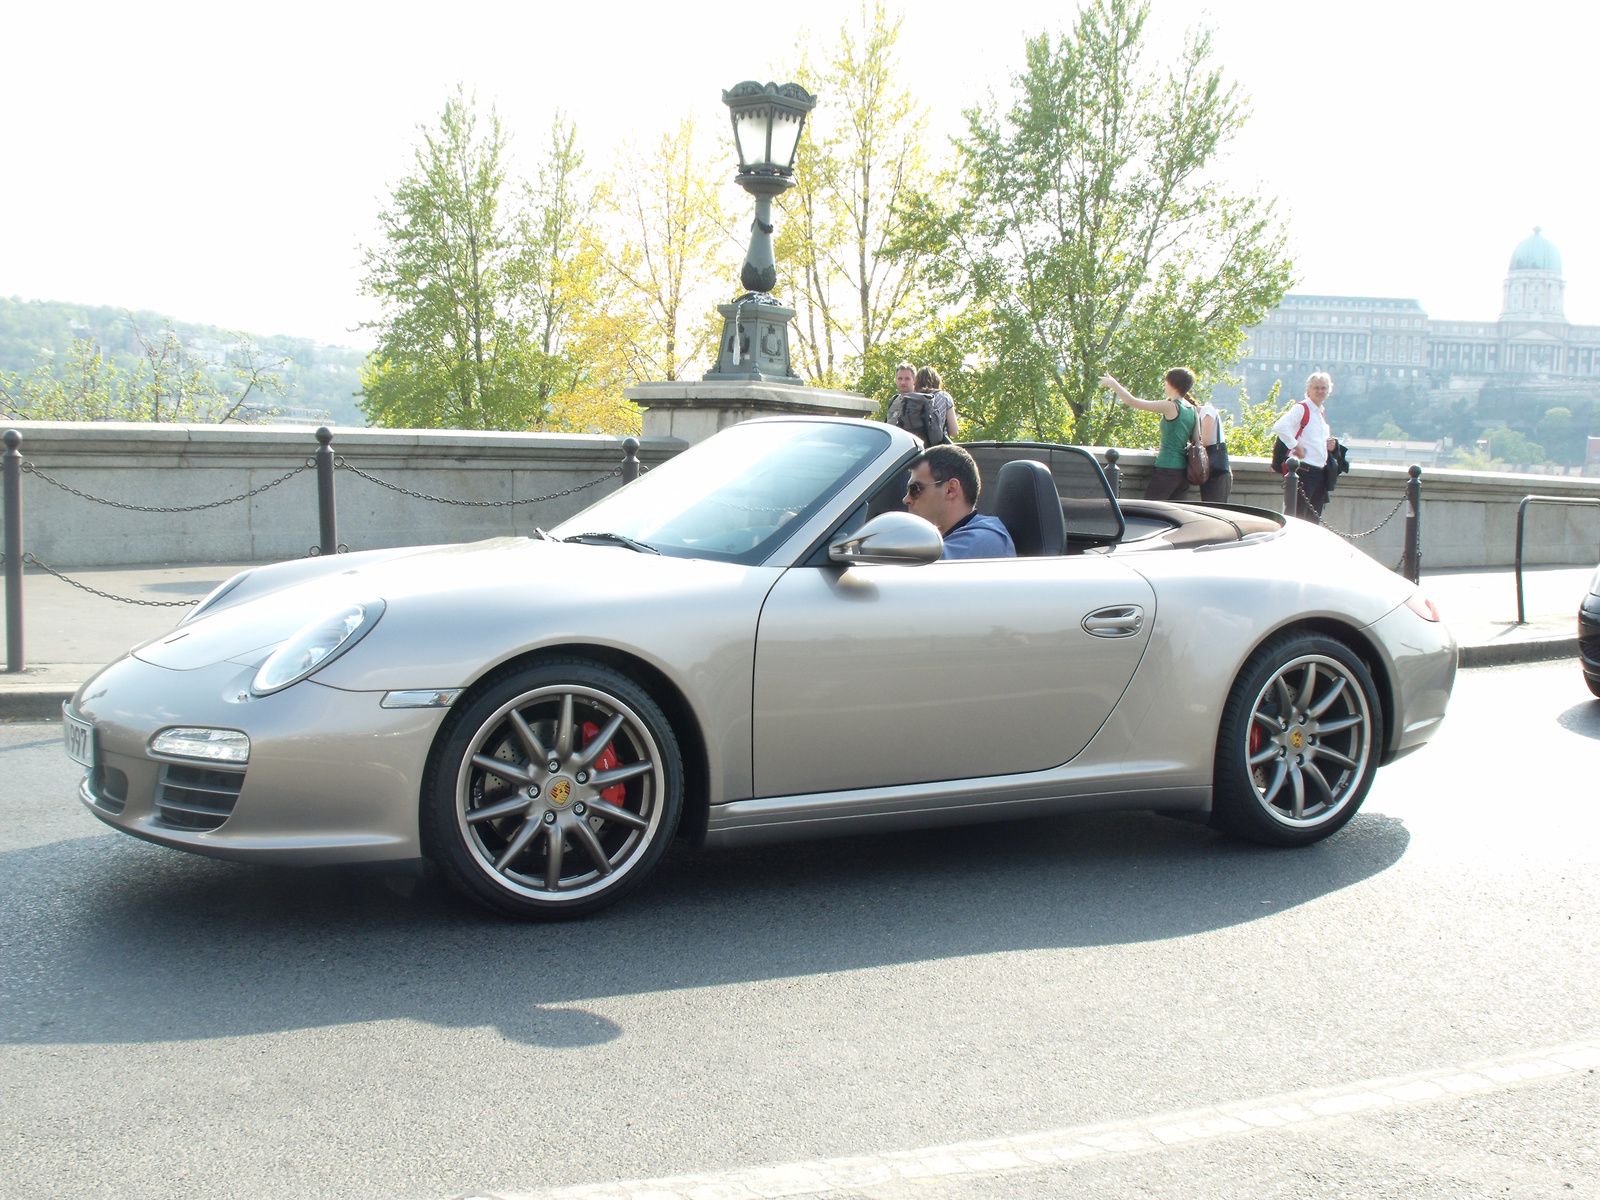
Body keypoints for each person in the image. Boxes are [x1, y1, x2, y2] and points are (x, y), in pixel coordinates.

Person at [1099, 368, 1201, 501]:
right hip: (1183, 472)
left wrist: (1113, 383)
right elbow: (1197, 440)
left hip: (1167, 468)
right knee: (1174, 513)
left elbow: (1132, 402)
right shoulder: (1192, 410)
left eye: (1166, 381)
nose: (1164, 384)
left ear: (1173, 384)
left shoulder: (1171, 406)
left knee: (1149, 510)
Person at [903, 443, 1016, 560]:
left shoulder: (985, 540)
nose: (906, 499)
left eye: (915, 489)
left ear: (950, 490)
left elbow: (909, 571)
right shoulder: (948, 541)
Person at [1273, 372, 1337, 522]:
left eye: (1324, 388)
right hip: (1304, 471)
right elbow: (1279, 426)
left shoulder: (1319, 413)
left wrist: (1329, 446)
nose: (1320, 391)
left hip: (1319, 474)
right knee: (1299, 519)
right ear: (1308, 390)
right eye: (1316, 388)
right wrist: (1296, 446)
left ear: (1329, 391)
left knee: (1313, 522)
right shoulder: (1302, 408)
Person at [886, 362, 955, 444]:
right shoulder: (894, 400)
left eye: (907, 379)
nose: (903, 382)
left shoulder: (919, 401)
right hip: (931, 446)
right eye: (900, 378)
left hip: (909, 447)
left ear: (915, 380)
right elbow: (954, 432)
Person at [1195, 393, 1232, 503]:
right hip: (1209, 470)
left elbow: (1205, 441)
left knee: (1216, 507)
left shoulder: (1206, 411)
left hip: (1217, 471)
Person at [914, 365, 961, 441]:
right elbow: (954, 432)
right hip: (938, 447)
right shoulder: (944, 397)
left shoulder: (912, 399)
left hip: (917, 447)